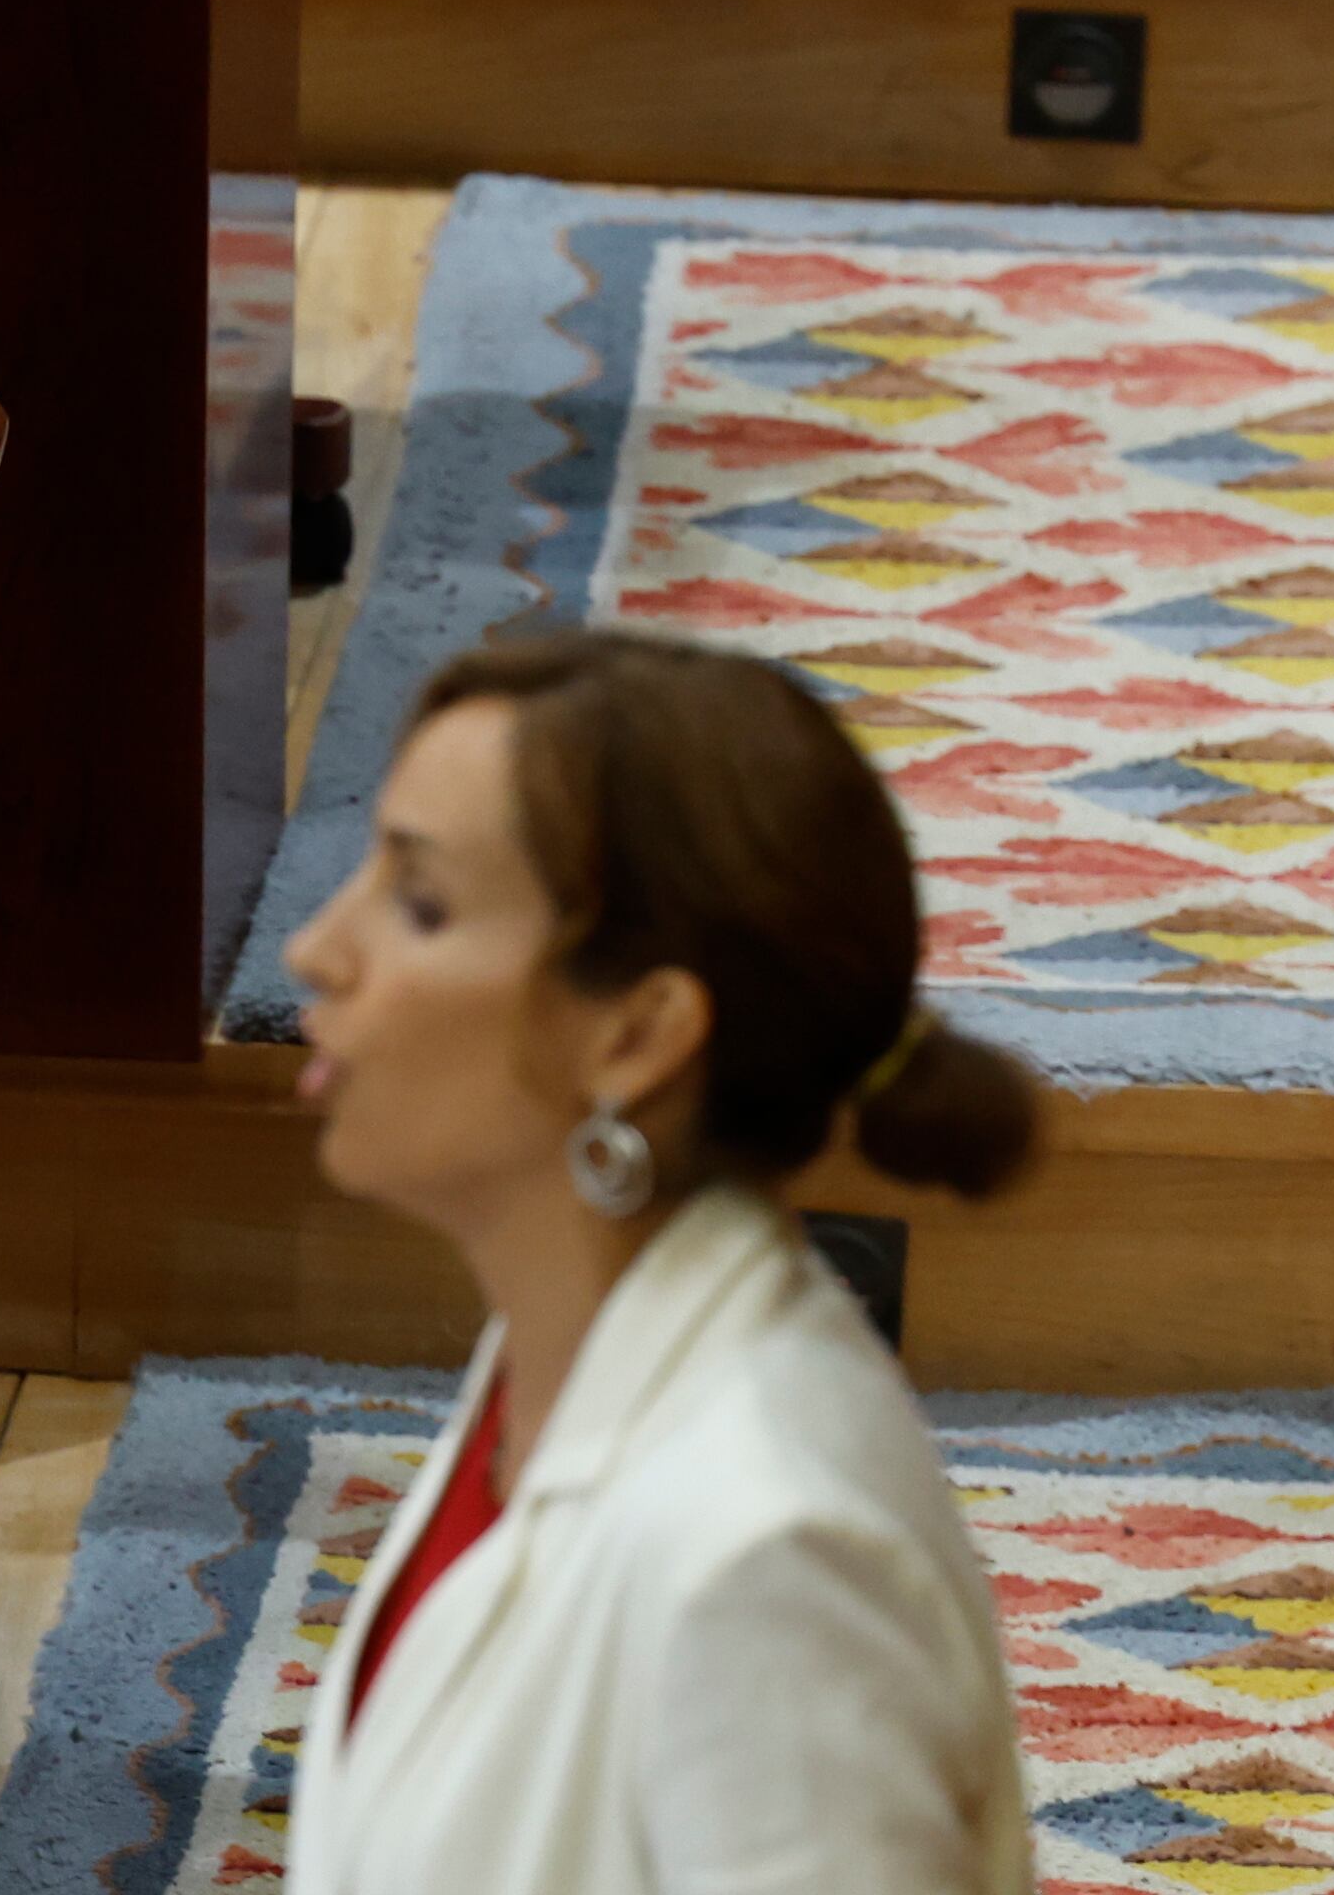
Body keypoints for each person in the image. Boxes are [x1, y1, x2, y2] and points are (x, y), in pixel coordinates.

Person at [280, 630, 1038, 1894]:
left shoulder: (765, 1552)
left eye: (418, 903)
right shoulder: (563, 1337)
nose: (317, 947)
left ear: (636, 1034)